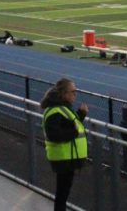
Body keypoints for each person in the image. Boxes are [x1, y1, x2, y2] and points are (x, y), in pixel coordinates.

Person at [40, 78, 88, 211]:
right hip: (63, 157)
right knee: (62, 193)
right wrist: (74, 133)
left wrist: (81, 115)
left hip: (67, 157)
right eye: (73, 92)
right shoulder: (55, 111)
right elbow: (55, 134)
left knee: (63, 193)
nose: (75, 95)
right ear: (63, 93)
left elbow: (70, 124)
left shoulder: (62, 108)